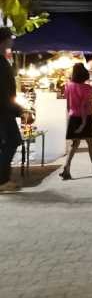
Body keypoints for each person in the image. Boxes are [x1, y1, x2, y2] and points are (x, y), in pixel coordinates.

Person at [0, 28, 29, 192]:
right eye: (10, 38)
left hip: (5, 109)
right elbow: (3, 91)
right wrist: (18, 110)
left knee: (10, 142)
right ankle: (2, 180)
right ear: (3, 41)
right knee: (12, 141)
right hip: (3, 111)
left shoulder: (3, 60)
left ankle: (4, 179)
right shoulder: (1, 62)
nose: (12, 41)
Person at [60, 63, 92, 180]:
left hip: (73, 117)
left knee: (74, 144)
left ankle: (67, 166)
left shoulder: (68, 86)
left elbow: (67, 104)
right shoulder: (87, 88)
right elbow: (86, 105)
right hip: (86, 117)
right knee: (90, 143)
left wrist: (71, 114)